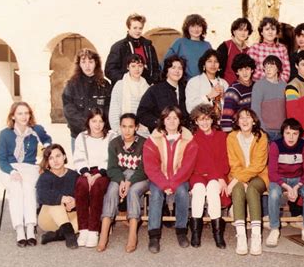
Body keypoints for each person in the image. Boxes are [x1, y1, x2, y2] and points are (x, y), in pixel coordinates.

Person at [143, 106, 198, 253]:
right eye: (168, 118)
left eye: (175, 118)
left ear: (180, 120)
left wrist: (173, 183)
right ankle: (154, 236)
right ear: (163, 120)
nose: (172, 121)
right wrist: (164, 183)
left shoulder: (189, 140)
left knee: (181, 192)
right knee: (155, 195)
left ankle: (181, 231)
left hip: (180, 178)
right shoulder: (153, 140)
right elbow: (150, 166)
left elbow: (188, 166)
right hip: (158, 178)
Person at [0, 102, 52, 247]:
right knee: (16, 188)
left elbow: (47, 140)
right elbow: (1, 159)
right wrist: (12, 171)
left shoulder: (36, 129)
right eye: (20, 113)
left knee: (28, 188)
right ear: (13, 116)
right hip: (10, 167)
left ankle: (30, 227)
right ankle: (19, 229)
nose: (24, 116)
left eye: (26, 113)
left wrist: (46, 149)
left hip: (29, 167)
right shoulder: (5, 134)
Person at [97, 113, 149, 253]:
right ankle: (104, 233)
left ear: (136, 127)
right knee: (112, 190)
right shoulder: (115, 143)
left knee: (132, 191)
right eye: (124, 127)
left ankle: (132, 233)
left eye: (131, 127)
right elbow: (112, 168)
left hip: (140, 178)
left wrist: (129, 182)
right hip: (121, 177)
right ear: (120, 127)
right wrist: (121, 181)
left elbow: (145, 169)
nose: (127, 130)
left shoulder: (144, 143)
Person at [266, 118, 304, 247]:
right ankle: (274, 229)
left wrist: (298, 186)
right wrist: (288, 187)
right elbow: (272, 173)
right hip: (280, 179)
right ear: (282, 133)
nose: (291, 137)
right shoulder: (275, 145)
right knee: (273, 194)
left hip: (298, 179)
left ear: (299, 134)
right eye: (288, 133)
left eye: (295, 133)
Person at [227, 108, 269, 256]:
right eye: (241, 118)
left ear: (254, 120)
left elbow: (258, 165)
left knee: (251, 189)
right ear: (237, 122)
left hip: (259, 176)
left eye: (248, 117)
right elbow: (233, 163)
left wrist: (239, 179)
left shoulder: (261, 137)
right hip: (238, 175)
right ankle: (241, 237)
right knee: (238, 189)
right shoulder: (232, 137)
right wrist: (239, 180)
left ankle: (256, 236)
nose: (245, 121)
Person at [73, 108, 116, 248]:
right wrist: (86, 174)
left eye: (100, 121)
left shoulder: (111, 136)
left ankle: (93, 230)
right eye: (94, 121)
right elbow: (78, 158)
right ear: (88, 122)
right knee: (81, 186)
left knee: (97, 187)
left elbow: (111, 159)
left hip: (104, 172)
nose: (97, 125)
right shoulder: (82, 137)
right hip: (86, 171)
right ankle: (83, 229)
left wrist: (98, 174)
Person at [189, 104, 230, 249]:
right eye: (201, 119)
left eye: (207, 119)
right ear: (196, 121)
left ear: (213, 120)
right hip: (198, 175)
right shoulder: (194, 139)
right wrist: (215, 175)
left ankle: (217, 234)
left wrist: (218, 176)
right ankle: (195, 233)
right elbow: (197, 165)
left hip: (218, 176)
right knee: (199, 190)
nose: (204, 122)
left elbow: (225, 161)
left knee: (213, 190)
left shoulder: (221, 137)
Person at [62, 48, 111, 152]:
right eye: (83, 62)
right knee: (81, 166)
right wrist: (88, 126)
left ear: (96, 63)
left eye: (90, 61)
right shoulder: (71, 85)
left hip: (100, 136)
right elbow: (68, 110)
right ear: (79, 64)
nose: (87, 65)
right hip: (78, 135)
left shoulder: (104, 85)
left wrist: (98, 127)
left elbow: (108, 109)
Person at [36, 144, 79, 249]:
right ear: (48, 162)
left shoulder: (74, 175)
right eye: (51, 158)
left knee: (85, 217)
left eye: (58, 156)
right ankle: (69, 235)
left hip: (69, 217)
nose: (55, 161)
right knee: (56, 201)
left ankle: (56, 235)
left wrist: (75, 202)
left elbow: (82, 195)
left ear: (64, 157)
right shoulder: (45, 176)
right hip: (48, 219)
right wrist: (62, 198)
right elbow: (41, 196)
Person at [105, 13, 160, 86]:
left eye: (140, 28)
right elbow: (109, 71)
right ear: (128, 27)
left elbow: (156, 68)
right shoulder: (118, 47)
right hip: (126, 89)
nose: (138, 31)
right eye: (135, 28)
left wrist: (153, 81)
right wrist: (128, 80)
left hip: (146, 88)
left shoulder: (149, 46)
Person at [137, 55, 189, 133]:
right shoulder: (155, 90)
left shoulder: (185, 89)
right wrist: (160, 124)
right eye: (173, 67)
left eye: (180, 68)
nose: (177, 71)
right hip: (160, 134)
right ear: (166, 71)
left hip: (182, 134)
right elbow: (142, 113)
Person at [108, 53, 150, 137]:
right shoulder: (120, 85)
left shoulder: (147, 87)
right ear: (128, 67)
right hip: (123, 132)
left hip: (143, 132)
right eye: (133, 66)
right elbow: (114, 112)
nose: (137, 69)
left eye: (140, 66)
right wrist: (119, 131)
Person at [164, 14, 212, 79]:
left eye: (199, 26)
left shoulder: (207, 45)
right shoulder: (180, 42)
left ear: (203, 28)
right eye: (193, 26)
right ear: (187, 28)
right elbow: (166, 62)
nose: (196, 29)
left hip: (202, 82)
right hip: (183, 82)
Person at [251, 55, 287, 142]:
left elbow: (287, 109)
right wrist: (263, 130)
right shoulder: (259, 85)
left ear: (278, 69)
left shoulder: (285, 86)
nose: (268, 69)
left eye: (271, 66)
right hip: (266, 132)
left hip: (282, 132)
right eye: (266, 67)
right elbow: (255, 110)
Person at [185, 49, 229, 116]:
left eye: (216, 61)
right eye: (209, 61)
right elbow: (190, 107)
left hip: (222, 122)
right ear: (204, 64)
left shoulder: (224, 83)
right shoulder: (194, 82)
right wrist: (208, 96)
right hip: (202, 123)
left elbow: (229, 107)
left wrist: (223, 97)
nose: (213, 64)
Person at [248, 17, 291, 83]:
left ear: (276, 33)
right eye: (267, 29)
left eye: (273, 29)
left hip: (279, 87)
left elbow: (287, 72)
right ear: (261, 32)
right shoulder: (254, 48)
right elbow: (252, 71)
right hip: (260, 86)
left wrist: (277, 81)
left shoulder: (282, 49)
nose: (270, 32)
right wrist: (271, 79)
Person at [220, 53, 256, 132]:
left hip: (254, 129)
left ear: (252, 70)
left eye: (247, 69)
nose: (244, 73)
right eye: (240, 70)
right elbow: (226, 119)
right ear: (236, 72)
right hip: (238, 131)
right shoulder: (233, 91)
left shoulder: (256, 86)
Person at [216, 17, 253, 85]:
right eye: (240, 30)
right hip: (226, 87)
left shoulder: (249, 50)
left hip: (243, 87)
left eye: (245, 30)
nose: (243, 33)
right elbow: (217, 69)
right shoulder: (225, 46)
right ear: (234, 31)